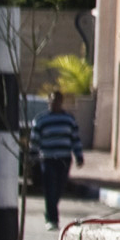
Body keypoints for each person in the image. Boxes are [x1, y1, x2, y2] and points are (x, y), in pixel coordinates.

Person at [33, 96, 83, 229]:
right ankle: (52, 218)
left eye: (56, 101)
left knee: (59, 188)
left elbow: (75, 139)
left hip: (64, 159)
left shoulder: (68, 120)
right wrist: (32, 156)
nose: (53, 104)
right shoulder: (41, 120)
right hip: (48, 159)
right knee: (50, 188)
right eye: (51, 101)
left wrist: (79, 156)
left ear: (61, 102)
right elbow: (35, 140)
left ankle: (51, 210)